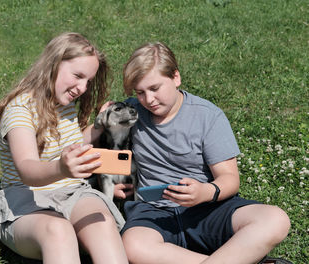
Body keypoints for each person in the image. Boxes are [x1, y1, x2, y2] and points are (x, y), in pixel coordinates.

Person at [120, 42, 292, 264]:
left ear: (175, 77)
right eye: (140, 92)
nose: (149, 100)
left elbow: (230, 179)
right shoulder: (132, 112)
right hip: (154, 212)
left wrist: (205, 192)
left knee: (275, 219)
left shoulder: (207, 116)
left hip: (207, 208)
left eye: (155, 89)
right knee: (132, 245)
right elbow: (90, 139)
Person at [0, 32, 128, 264]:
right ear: (53, 64)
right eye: (78, 76)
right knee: (58, 231)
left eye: (88, 81)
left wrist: (101, 125)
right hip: (26, 204)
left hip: (73, 193)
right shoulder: (20, 111)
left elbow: (68, 147)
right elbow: (27, 169)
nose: (82, 88)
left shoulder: (64, 104)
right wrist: (62, 168)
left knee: (101, 221)